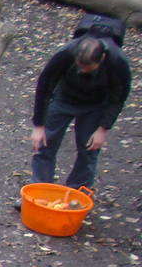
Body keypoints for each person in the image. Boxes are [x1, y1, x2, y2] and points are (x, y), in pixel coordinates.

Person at [30, 33, 131, 191]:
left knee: (89, 149)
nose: (83, 71)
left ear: (102, 58)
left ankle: (77, 193)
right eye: (80, 67)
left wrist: (103, 128)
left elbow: (118, 97)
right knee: (45, 144)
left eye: (87, 69)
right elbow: (45, 84)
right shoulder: (66, 53)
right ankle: (40, 190)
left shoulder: (117, 61)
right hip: (64, 98)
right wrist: (38, 125)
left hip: (96, 104)